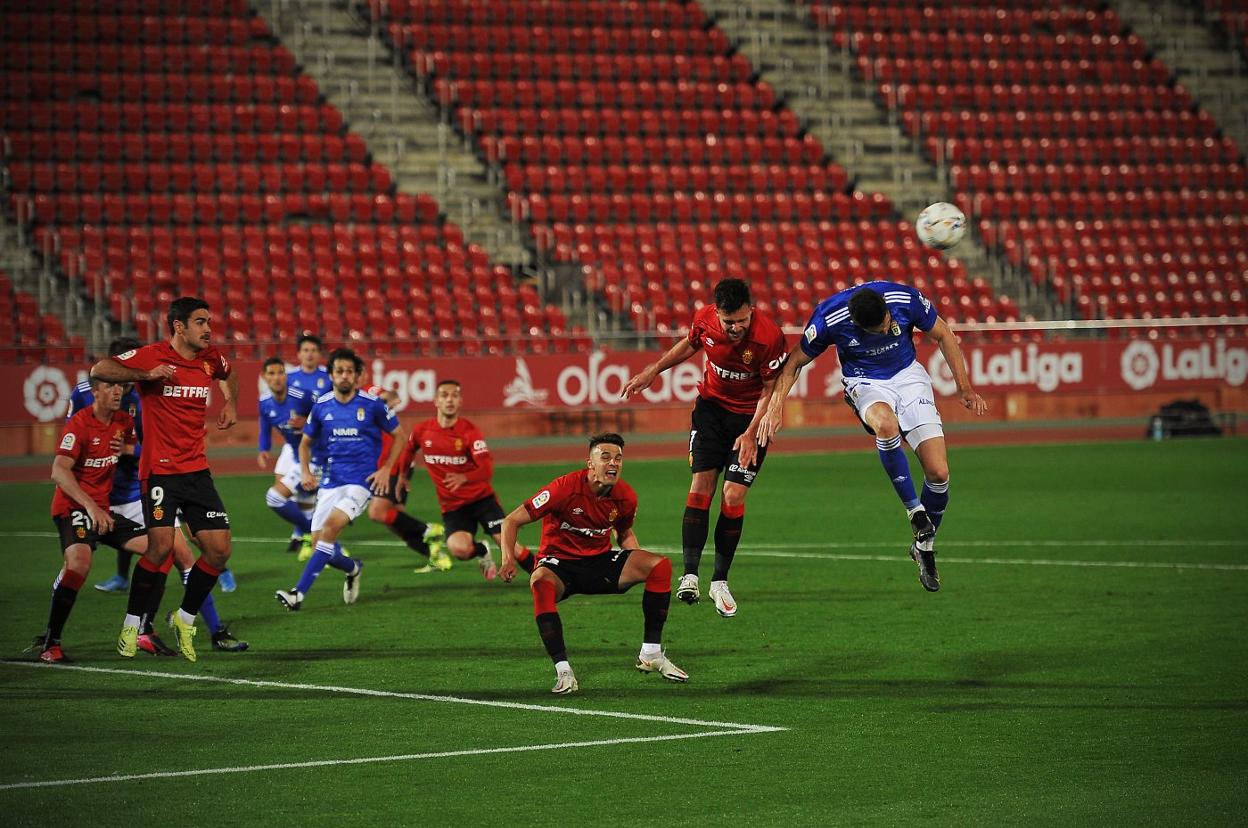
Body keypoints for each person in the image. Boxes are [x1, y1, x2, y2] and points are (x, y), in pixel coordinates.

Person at [757, 280, 988, 592]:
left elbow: (944, 334)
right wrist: (776, 406)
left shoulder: (902, 299)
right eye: (877, 329)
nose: (885, 330)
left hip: (908, 377)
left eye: (887, 324)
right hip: (864, 382)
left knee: (939, 472)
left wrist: (964, 387)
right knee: (887, 425)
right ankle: (914, 510)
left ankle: (924, 548)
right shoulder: (829, 318)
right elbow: (794, 361)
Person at [621, 277, 788, 618]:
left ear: (750, 311)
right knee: (700, 486)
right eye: (730, 322)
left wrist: (751, 431)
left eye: (742, 320)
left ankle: (720, 580)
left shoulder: (769, 337)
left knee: (732, 495)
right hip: (711, 411)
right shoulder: (704, 319)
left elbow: (770, 389)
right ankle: (691, 575)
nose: (736, 327)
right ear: (718, 313)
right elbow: (689, 344)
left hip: (750, 418)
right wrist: (654, 369)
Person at [91, 296, 240, 662]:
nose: (208, 328)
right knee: (159, 549)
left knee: (220, 550)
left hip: (197, 471)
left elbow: (228, 374)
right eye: (200, 322)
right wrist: (145, 375)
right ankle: (132, 624)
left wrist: (230, 402)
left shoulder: (210, 358)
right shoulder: (152, 355)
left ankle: (184, 618)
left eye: (209, 321)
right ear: (179, 326)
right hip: (159, 473)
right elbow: (101, 369)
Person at [499, 433, 688, 694]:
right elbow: (511, 521)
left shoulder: (625, 497)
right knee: (540, 583)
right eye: (606, 457)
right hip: (559, 565)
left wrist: (634, 559)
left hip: (598, 563)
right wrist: (507, 558)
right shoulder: (563, 488)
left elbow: (624, 534)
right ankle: (563, 671)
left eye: (619, 458)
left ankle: (651, 653)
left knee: (659, 566)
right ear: (590, 463)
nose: (614, 463)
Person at [274, 348, 406, 610]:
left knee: (331, 530)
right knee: (318, 545)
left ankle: (297, 594)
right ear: (331, 375)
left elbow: (401, 436)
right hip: (330, 482)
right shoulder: (322, 407)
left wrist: (385, 470)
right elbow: (305, 444)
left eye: (349, 371)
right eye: (339, 371)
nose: (344, 376)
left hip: (360, 483)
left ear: (357, 376)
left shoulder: (373, 405)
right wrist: (305, 471)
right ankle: (353, 568)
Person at [35, 378, 141, 662]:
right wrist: (92, 508)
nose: (117, 391)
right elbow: (58, 471)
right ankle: (51, 642)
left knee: (159, 546)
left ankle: (141, 628)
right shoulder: (79, 424)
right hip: (74, 508)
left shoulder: (123, 422)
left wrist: (127, 450)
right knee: (80, 565)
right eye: (110, 387)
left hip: (103, 511)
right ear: (95, 392)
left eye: (120, 386)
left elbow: (133, 451)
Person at [397, 379, 535, 580]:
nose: (449, 400)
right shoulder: (422, 431)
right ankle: (481, 551)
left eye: (454, 395)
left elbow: (487, 468)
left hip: (482, 500)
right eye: (444, 395)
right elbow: (409, 449)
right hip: (453, 507)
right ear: (436, 401)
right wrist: (402, 476)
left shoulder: (469, 431)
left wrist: (464, 477)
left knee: (509, 546)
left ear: (460, 401)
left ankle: (542, 576)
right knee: (459, 549)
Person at [67, 337, 144, 594]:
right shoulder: (81, 392)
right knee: (79, 555)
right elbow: (70, 437)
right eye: (131, 364)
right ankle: (121, 578)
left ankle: (216, 567)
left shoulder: (145, 397)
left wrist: (130, 450)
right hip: (95, 482)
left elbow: (158, 446)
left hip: (134, 479)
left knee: (170, 541)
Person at [362, 377, 450, 574]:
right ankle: (436, 556)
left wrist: (385, 400)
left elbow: (391, 395)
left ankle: (428, 529)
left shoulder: (368, 392)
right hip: (384, 464)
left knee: (377, 512)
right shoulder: (344, 403)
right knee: (395, 522)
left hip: (392, 462)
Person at [257, 356, 317, 557]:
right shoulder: (265, 402)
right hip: (297, 455)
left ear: (286, 375)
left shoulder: (302, 396)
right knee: (305, 500)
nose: (277, 378)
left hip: (317, 455)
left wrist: (307, 423)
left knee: (275, 497)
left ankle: (313, 534)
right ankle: (314, 539)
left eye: (280, 372)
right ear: (264, 377)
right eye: (271, 373)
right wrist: (263, 449)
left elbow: (325, 416)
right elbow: (264, 427)